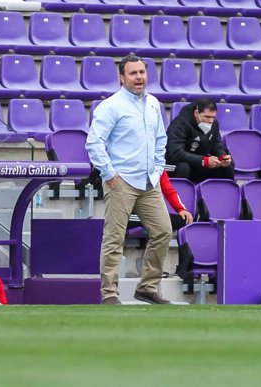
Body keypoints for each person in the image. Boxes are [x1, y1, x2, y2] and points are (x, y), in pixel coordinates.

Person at [86, 54, 173, 305]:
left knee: (164, 231)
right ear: (121, 78)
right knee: (114, 238)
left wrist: (157, 169)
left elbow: (160, 140)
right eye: (133, 73)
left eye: (142, 73)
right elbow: (94, 142)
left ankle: (147, 287)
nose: (139, 78)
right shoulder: (111, 106)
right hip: (121, 180)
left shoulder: (154, 104)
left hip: (149, 181)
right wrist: (109, 175)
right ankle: (109, 294)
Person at [166, 98, 234, 183]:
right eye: (207, 117)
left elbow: (216, 145)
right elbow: (176, 153)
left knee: (227, 168)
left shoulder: (214, 124)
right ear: (196, 113)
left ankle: (219, 194)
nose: (210, 121)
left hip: (198, 163)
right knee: (183, 167)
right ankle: (180, 194)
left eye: (213, 117)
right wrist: (204, 160)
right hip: (172, 164)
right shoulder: (179, 124)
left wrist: (222, 158)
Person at [128, 172, 193, 232]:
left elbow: (169, 191)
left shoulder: (158, 166)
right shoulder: (124, 165)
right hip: (126, 211)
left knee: (184, 220)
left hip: (149, 211)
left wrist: (181, 209)